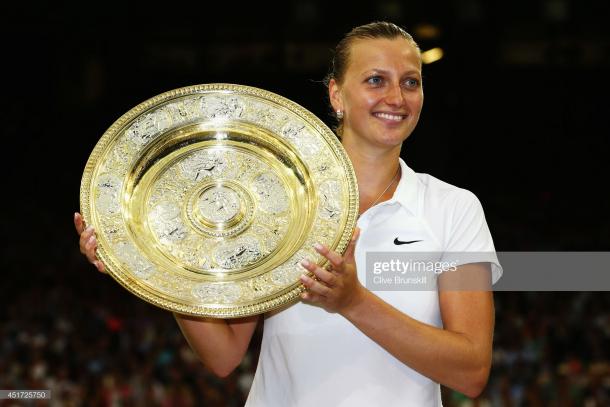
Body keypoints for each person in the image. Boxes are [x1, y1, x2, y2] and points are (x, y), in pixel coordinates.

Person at [75, 21, 502, 406]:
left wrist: (353, 302)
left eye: (411, 82)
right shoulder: (275, 202)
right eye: (376, 80)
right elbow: (223, 356)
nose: (396, 97)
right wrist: (154, 265)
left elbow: (471, 370)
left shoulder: (454, 208)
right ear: (337, 94)